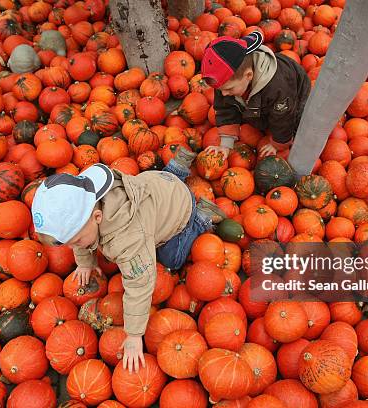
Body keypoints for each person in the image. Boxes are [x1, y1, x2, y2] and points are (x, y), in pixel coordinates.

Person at [30, 150, 225, 373]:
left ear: (97, 218)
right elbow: (79, 237)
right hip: (159, 184)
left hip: (179, 208)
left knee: (171, 259)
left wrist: (134, 334)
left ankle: (200, 219)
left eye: (77, 241)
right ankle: (176, 170)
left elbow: (140, 284)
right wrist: (85, 262)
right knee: (161, 190)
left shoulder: (128, 239)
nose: (75, 247)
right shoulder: (90, 196)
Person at [201, 30, 311, 159]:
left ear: (248, 75)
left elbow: (283, 118)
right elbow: (225, 109)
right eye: (220, 90)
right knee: (240, 106)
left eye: (229, 89)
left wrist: (278, 144)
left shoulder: (278, 88)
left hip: (294, 95)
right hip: (261, 94)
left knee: (297, 119)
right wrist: (225, 144)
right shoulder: (225, 82)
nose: (224, 93)